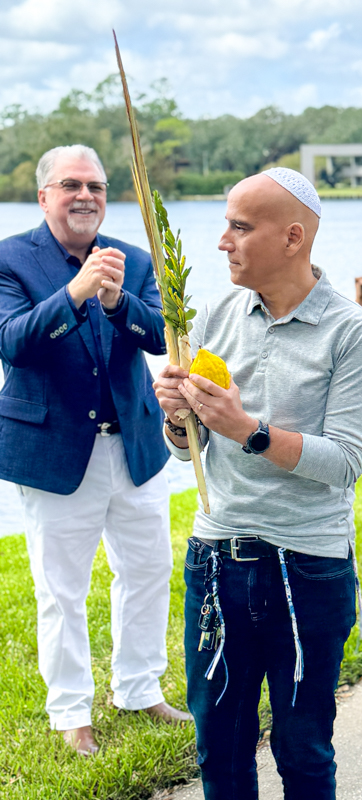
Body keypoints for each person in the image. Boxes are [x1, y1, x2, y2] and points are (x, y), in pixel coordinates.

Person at [153, 167, 362, 799]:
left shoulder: (353, 332)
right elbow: (186, 452)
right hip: (217, 558)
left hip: (306, 567)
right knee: (219, 747)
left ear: (292, 237)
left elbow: (345, 461)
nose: (222, 241)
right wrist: (180, 420)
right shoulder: (211, 315)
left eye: (238, 226)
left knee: (302, 746)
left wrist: (245, 427)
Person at [0, 145, 190, 757]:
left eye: (98, 186)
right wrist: (76, 294)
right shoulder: (10, 259)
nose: (86, 195)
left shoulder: (134, 260)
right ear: (44, 195)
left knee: (148, 570)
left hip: (134, 446)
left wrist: (115, 301)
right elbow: (14, 346)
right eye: (71, 184)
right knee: (62, 589)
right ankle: (71, 712)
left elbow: (163, 334)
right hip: (56, 452)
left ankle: (138, 689)